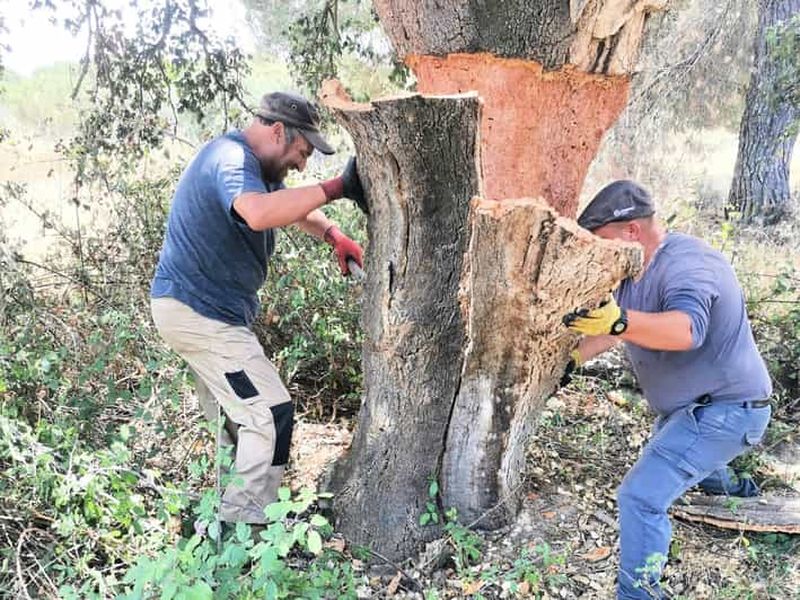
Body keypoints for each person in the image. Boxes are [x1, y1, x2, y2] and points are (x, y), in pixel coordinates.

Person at [150, 91, 365, 527]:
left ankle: (213, 529)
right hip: (201, 313)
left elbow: (286, 208)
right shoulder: (230, 158)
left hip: (191, 309)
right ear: (278, 131)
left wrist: (333, 235)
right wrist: (337, 188)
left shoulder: (254, 168)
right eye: (302, 152)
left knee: (235, 421)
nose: (303, 165)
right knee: (271, 414)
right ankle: (243, 534)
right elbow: (258, 213)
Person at [562, 180, 772, 599]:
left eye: (602, 242)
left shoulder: (688, 265)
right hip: (692, 411)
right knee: (680, 450)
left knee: (640, 497)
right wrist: (573, 360)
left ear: (632, 232)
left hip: (726, 412)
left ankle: (639, 594)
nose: (599, 252)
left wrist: (619, 321)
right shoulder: (633, 268)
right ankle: (733, 489)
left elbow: (686, 330)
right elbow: (615, 328)